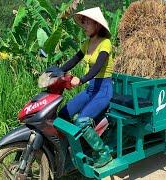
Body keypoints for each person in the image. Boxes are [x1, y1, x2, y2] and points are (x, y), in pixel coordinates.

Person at [58, 7, 113, 168]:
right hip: (91, 89)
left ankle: (104, 153)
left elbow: (97, 67)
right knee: (63, 114)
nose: (84, 25)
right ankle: (69, 150)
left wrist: (80, 80)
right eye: (83, 22)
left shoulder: (106, 43)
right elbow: (74, 59)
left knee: (81, 121)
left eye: (87, 22)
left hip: (103, 89)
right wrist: (56, 71)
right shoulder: (87, 43)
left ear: (97, 24)